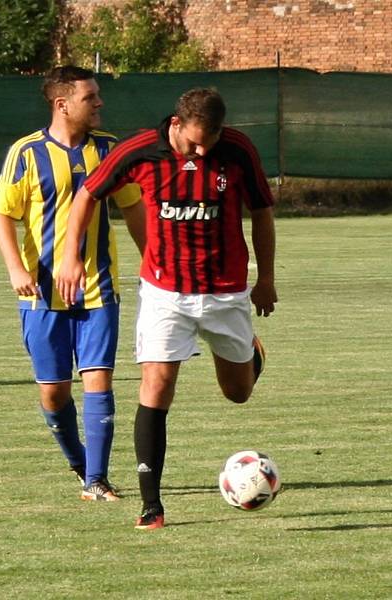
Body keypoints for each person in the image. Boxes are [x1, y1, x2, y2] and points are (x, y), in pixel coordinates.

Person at [56, 87, 277, 530]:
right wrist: (69, 254)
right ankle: (151, 506)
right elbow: (87, 195)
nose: (201, 150)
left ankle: (250, 353)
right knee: (156, 385)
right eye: (194, 141)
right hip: (165, 292)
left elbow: (262, 211)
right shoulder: (139, 151)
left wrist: (266, 279)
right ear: (176, 124)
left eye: (208, 142)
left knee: (238, 394)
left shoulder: (236, 150)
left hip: (224, 291)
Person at [0, 65, 145, 501]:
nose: (99, 103)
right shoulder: (26, 152)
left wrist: (153, 259)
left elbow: (133, 207)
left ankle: (97, 480)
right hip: (40, 294)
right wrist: (15, 270)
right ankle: (80, 465)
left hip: (99, 288)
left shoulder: (110, 151)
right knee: (55, 393)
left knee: (99, 381)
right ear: (62, 104)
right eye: (90, 97)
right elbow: (2, 215)